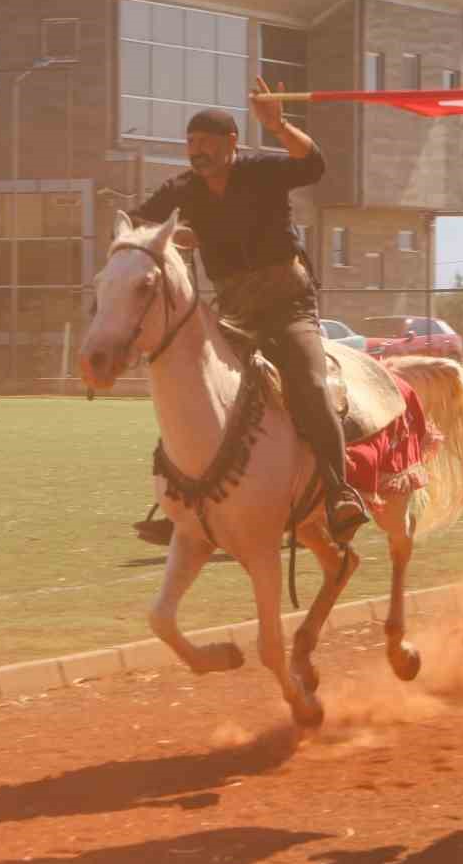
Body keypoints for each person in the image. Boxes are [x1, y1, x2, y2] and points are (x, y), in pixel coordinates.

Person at [128, 79, 370, 541]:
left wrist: (278, 125)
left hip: (288, 306)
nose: (196, 151)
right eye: (191, 143)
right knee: (193, 389)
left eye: (205, 142)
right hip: (234, 314)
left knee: (310, 385)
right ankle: (183, 498)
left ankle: (340, 493)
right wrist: (182, 236)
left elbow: (314, 165)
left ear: (231, 143)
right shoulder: (183, 190)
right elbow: (141, 223)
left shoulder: (261, 170)